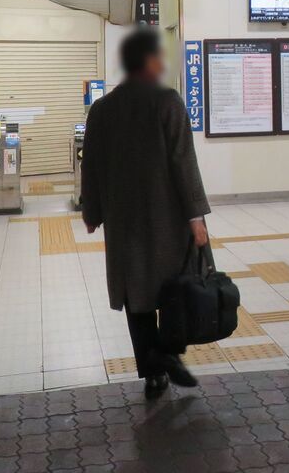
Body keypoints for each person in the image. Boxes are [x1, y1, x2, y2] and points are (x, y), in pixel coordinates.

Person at [80, 26, 211, 400]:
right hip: (167, 218)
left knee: (136, 294)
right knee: (172, 290)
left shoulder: (103, 109)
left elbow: (91, 165)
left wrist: (93, 210)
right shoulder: (168, 102)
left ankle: (153, 372)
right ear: (149, 61)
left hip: (124, 220)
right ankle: (167, 355)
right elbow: (184, 165)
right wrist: (196, 217)